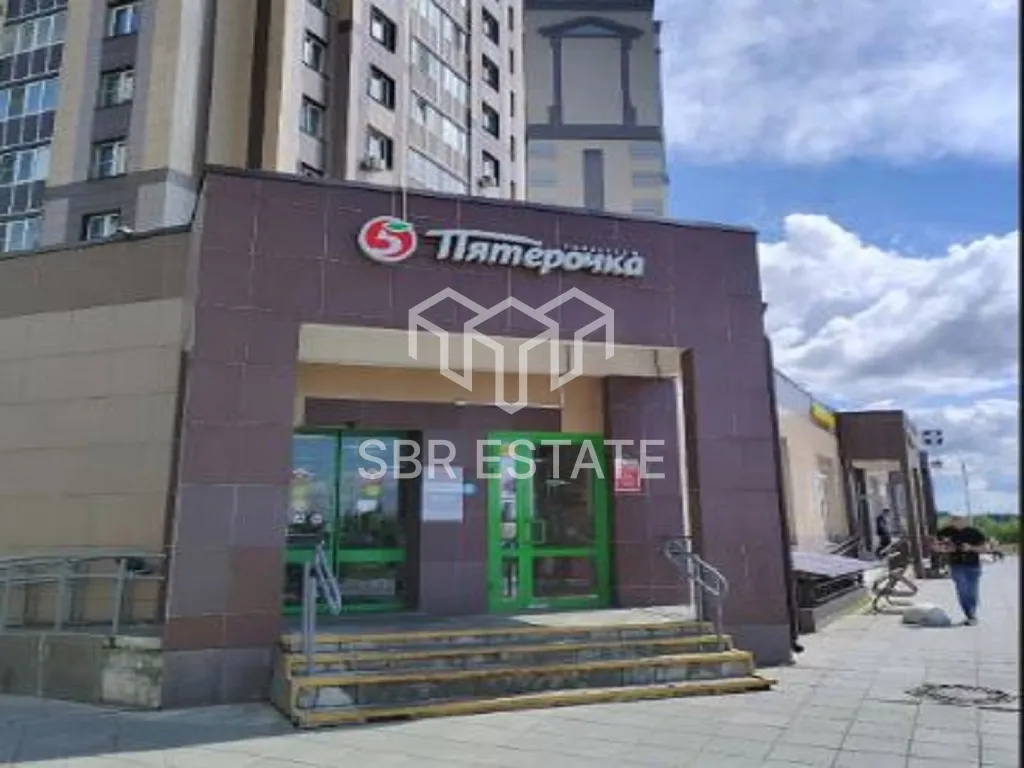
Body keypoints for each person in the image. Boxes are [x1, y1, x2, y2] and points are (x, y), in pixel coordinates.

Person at [934, 516, 988, 625]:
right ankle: (970, 614)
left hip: (973, 565)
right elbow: (935, 546)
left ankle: (971, 614)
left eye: (959, 518)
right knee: (962, 590)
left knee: (972, 591)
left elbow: (985, 548)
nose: (956, 520)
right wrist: (945, 549)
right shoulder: (945, 532)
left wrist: (970, 548)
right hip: (956, 565)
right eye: (954, 518)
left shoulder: (974, 532)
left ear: (964, 519)